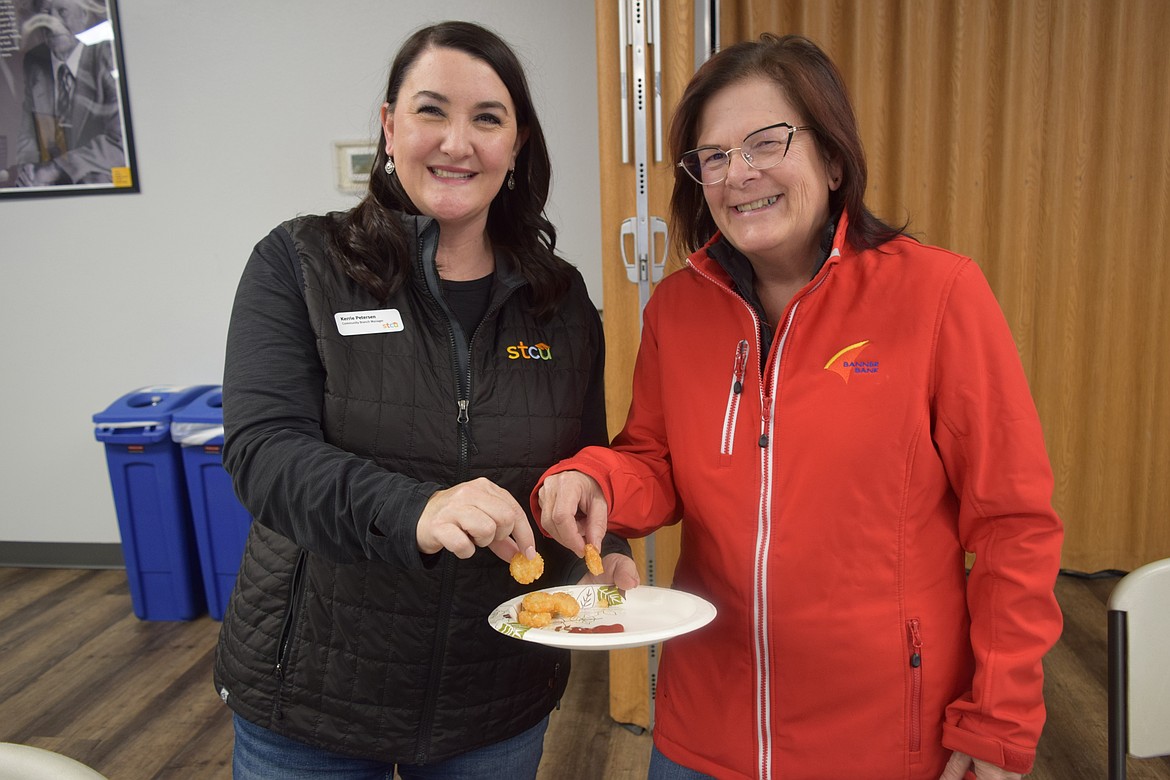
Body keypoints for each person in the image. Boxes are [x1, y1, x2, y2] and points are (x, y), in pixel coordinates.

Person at [535, 33, 1064, 780]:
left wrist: (998, 721)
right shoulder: (678, 309)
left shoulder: (938, 295)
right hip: (701, 734)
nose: (737, 174)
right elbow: (653, 460)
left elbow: (1015, 525)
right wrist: (598, 481)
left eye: (765, 143)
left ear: (834, 158)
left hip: (883, 741)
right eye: (713, 157)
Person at [213, 20, 635, 779]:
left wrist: (603, 549)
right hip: (315, 695)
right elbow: (262, 454)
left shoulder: (559, 298)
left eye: (487, 118)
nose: (456, 142)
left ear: (518, 143)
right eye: (431, 111)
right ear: (388, 126)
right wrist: (418, 509)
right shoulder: (301, 262)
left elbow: (579, 459)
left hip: (495, 694)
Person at [11, 0, 125, 187]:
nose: (52, 22)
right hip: (50, 184)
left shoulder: (106, 54)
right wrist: (28, 167)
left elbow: (120, 141)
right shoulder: (35, 61)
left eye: (62, 11)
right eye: (45, 13)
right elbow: (29, 130)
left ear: (83, 16)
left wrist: (56, 169)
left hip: (97, 181)